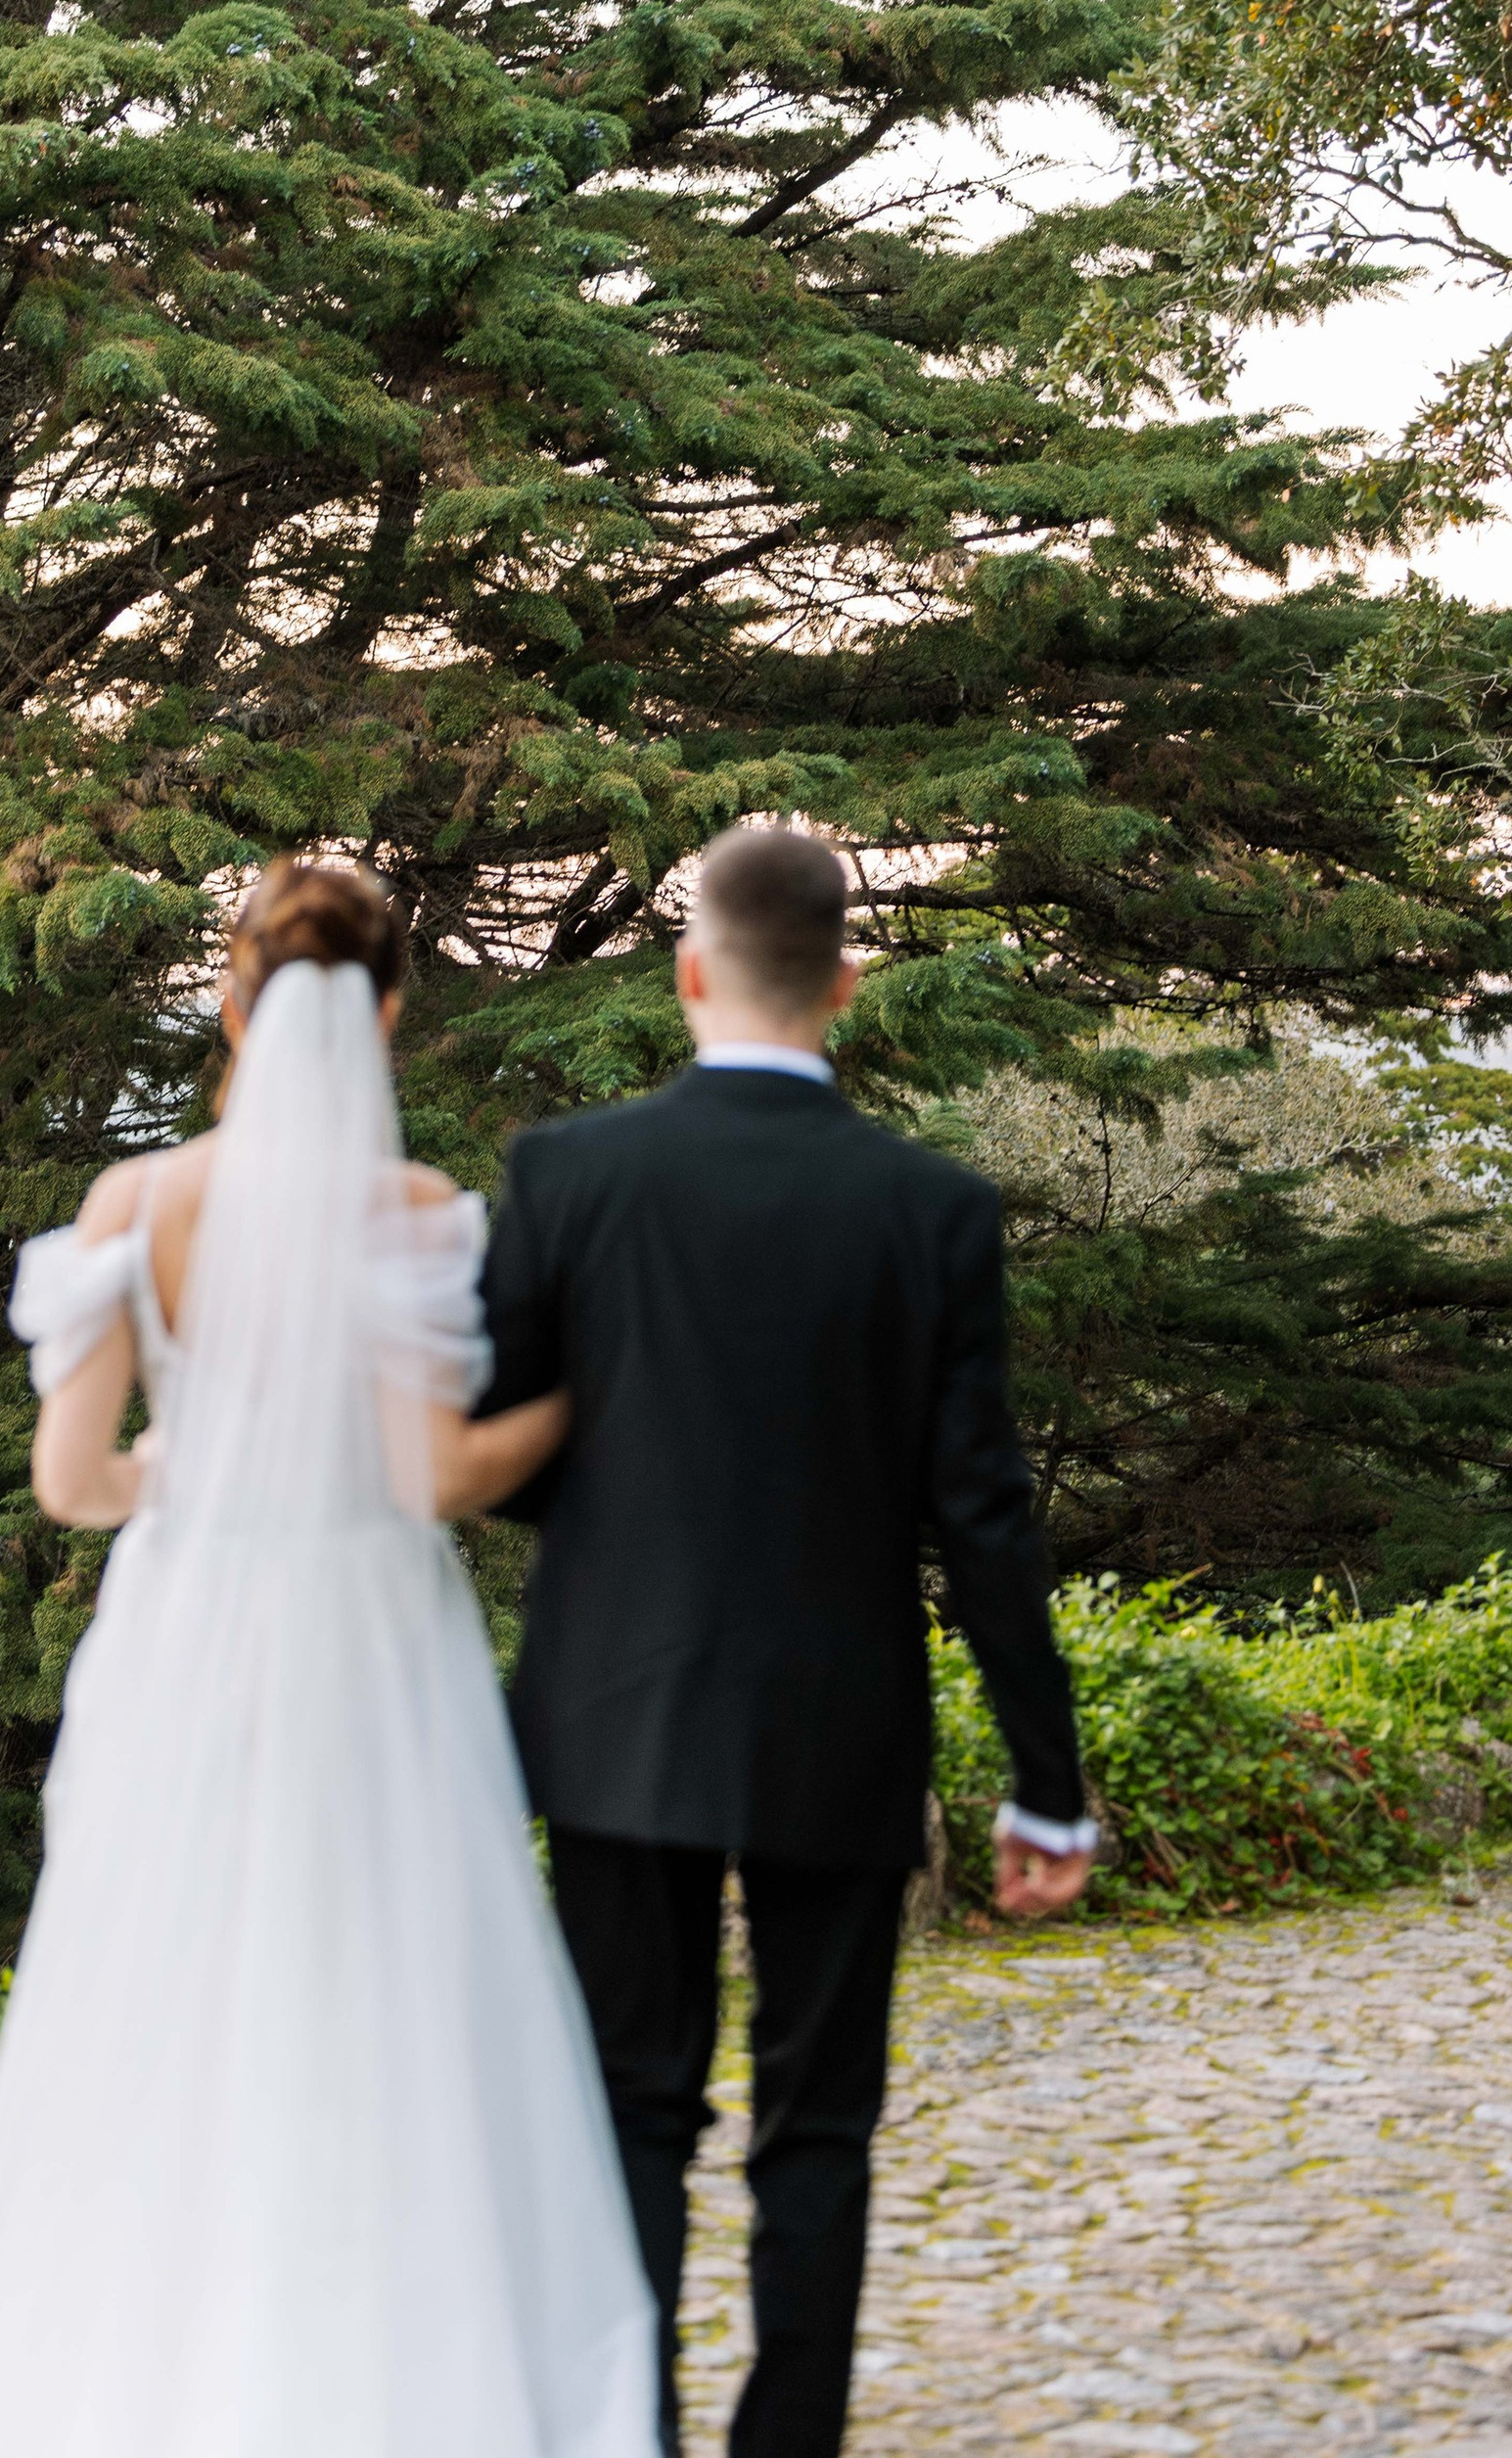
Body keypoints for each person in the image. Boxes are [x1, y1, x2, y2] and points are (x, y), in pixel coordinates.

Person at [0, 858, 661, 2458]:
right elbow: (437, 1474)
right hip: (374, 1641)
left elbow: (76, 1483)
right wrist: (586, 1400)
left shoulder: (135, 1207)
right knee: (396, 1999)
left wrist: (219, 1471)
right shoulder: (418, 1211)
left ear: (229, 1004)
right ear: (381, 1014)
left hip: (190, 1636)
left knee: (158, 1998)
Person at [481, 820, 1096, 2458]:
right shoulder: (933, 1208)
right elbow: (983, 1520)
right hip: (840, 1717)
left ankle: (629, 2438)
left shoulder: (568, 1171)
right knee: (819, 2124)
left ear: (689, 969)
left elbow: (502, 1447)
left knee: (630, 2101)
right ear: (848, 982)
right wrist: (1050, 1784)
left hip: (615, 1710)